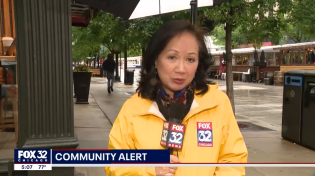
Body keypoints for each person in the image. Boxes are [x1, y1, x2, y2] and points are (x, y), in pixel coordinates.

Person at [105, 20, 248, 176]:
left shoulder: (218, 103)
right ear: (155, 59)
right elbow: (115, 164)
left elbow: (233, 159)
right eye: (172, 57)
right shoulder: (133, 109)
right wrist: (149, 170)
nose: (181, 69)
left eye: (190, 60)